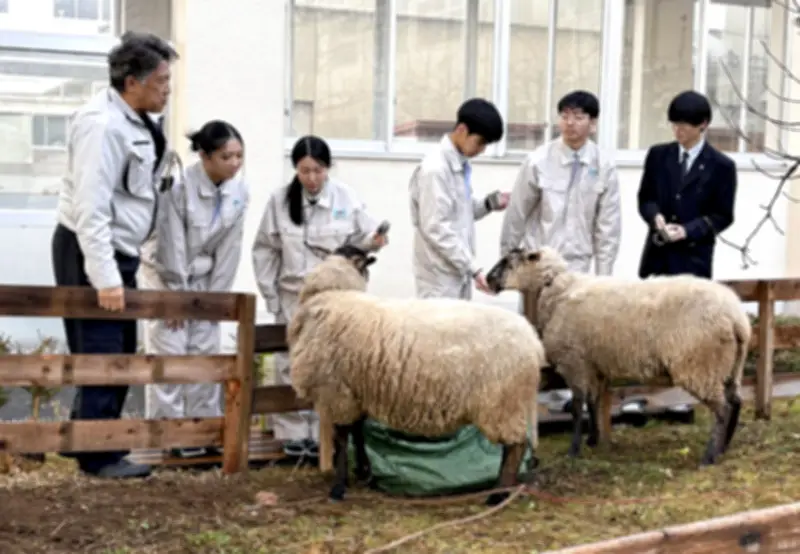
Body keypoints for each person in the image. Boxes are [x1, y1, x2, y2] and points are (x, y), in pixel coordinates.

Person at [51, 31, 179, 478]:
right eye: (162, 80)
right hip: (90, 249)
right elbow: (90, 208)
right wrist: (105, 278)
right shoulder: (101, 126)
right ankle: (98, 455)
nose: (168, 88)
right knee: (104, 352)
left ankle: (85, 441)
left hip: (116, 250)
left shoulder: (137, 119)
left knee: (117, 348)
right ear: (133, 82)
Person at [252, 135, 388, 460]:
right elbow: (264, 251)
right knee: (292, 362)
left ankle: (325, 432)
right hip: (293, 296)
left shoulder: (346, 197)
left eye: (317, 170)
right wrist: (271, 296)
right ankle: (293, 434)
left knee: (331, 366)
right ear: (295, 170)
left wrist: (375, 239)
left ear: (327, 169)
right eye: (304, 171)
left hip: (334, 301)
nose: (311, 178)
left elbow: (364, 238)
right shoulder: (279, 201)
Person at [139, 120, 248, 459]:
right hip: (166, 279)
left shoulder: (239, 191)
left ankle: (199, 429)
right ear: (205, 155)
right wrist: (177, 299)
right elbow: (170, 246)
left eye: (239, 156)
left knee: (204, 355)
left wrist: (215, 301)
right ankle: (167, 433)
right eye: (226, 156)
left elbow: (230, 250)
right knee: (170, 357)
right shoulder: (178, 187)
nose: (234, 163)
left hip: (205, 284)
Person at [499, 90, 622, 275]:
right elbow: (516, 214)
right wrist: (506, 263)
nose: (570, 123)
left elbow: (608, 226)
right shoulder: (538, 160)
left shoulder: (604, 165)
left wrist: (604, 276)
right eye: (564, 117)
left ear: (593, 124)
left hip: (578, 265)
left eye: (578, 117)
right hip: (538, 260)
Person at [409, 97, 509, 300]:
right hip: (439, 276)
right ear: (462, 130)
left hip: (456, 269)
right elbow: (436, 228)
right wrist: (473, 268)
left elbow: (462, 211)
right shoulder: (435, 169)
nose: (481, 150)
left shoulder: (458, 164)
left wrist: (490, 203)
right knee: (440, 330)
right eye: (480, 143)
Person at [637, 90, 737, 279]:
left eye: (684, 125)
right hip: (658, 257)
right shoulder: (658, 155)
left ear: (703, 124)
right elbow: (646, 198)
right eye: (674, 124)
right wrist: (655, 216)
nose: (678, 130)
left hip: (693, 261)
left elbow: (723, 215)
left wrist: (687, 231)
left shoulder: (721, 166)